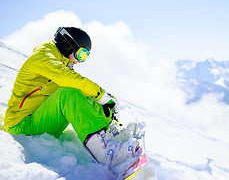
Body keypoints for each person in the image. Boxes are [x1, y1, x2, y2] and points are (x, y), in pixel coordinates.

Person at [4, 26, 141, 169]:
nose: (80, 61)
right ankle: (104, 153)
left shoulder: (64, 62)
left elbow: (79, 87)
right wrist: (100, 94)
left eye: (85, 57)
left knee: (85, 94)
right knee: (69, 92)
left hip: (39, 121)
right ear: (68, 44)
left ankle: (110, 135)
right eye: (81, 54)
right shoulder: (43, 56)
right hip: (21, 125)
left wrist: (105, 101)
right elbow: (66, 78)